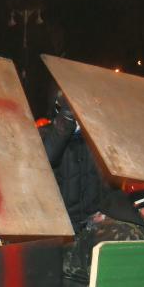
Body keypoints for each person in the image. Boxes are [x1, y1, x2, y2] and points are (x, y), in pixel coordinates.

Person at [40, 89, 106, 232]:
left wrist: (105, 209)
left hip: (94, 221)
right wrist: (68, 119)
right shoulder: (46, 133)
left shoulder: (98, 136)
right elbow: (47, 158)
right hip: (62, 222)